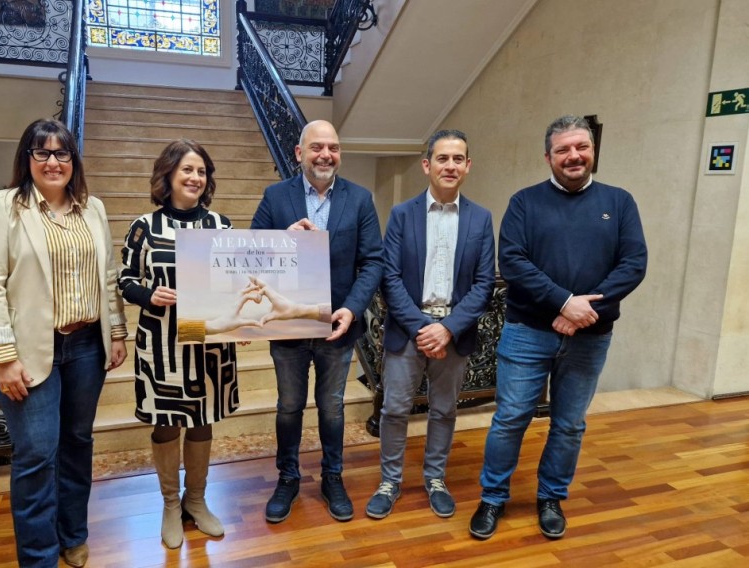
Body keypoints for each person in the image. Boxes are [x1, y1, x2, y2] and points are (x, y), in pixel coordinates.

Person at [469, 115, 647, 540]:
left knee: (569, 424)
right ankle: (492, 497)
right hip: (527, 331)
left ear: (592, 152)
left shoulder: (619, 202)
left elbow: (633, 264)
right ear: (548, 157)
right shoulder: (524, 203)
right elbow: (512, 262)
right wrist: (565, 302)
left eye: (581, 147)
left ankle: (551, 497)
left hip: (591, 335)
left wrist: (583, 311)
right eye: (563, 149)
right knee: (511, 418)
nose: (574, 156)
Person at [0, 118, 128, 568]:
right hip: (27, 352)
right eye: (42, 152)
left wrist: (116, 332)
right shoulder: (2, 208)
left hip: (86, 348)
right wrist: (3, 358)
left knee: (77, 443)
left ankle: (72, 534)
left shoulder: (92, 208)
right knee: (37, 455)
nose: (53, 161)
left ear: (73, 160)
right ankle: (38, 557)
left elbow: (108, 275)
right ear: (27, 159)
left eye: (62, 153)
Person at [250, 120, 384, 523]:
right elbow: (250, 254)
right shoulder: (276, 197)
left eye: (334, 147)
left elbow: (372, 261)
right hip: (288, 326)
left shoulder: (360, 199)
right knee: (289, 406)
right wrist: (282, 239)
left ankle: (333, 477)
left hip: (337, 327)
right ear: (299, 153)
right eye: (317, 147)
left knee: (332, 408)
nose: (326, 154)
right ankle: (287, 478)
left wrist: (354, 308)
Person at [118, 139, 247, 548]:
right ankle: (171, 503)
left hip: (209, 343)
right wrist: (147, 295)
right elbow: (124, 279)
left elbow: (235, 283)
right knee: (167, 421)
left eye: (201, 171)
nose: (195, 178)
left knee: (203, 418)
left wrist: (242, 325)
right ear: (169, 175)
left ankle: (197, 500)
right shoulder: (145, 226)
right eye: (187, 170)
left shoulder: (221, 227)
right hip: (162, 343)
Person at [365, 130, 495, 520]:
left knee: (443, 411)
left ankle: (435, 478)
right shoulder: (402, 214)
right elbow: (390, 277)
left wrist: (448, 328)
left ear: (468, 166)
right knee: (394, 409)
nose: (450, 166)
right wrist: (423, 327)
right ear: (427, 165)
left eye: (458, 159)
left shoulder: (481, 218)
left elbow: (485, 283)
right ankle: (390, 482)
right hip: (408, 331)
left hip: (454, 333)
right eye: (443, 158)